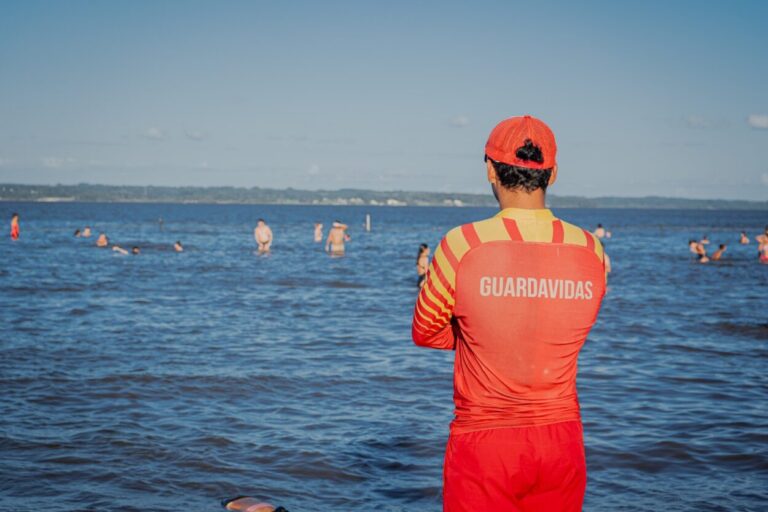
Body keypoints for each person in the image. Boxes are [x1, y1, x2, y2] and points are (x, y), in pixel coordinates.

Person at [411, 115, 607, 511]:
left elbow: (424, 331)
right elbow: (568, 328)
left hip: (486, 442)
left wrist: (482, 331)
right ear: (552, 175)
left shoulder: (462, 244)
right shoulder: (592, 251)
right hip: (562, 440)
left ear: (489, 170)